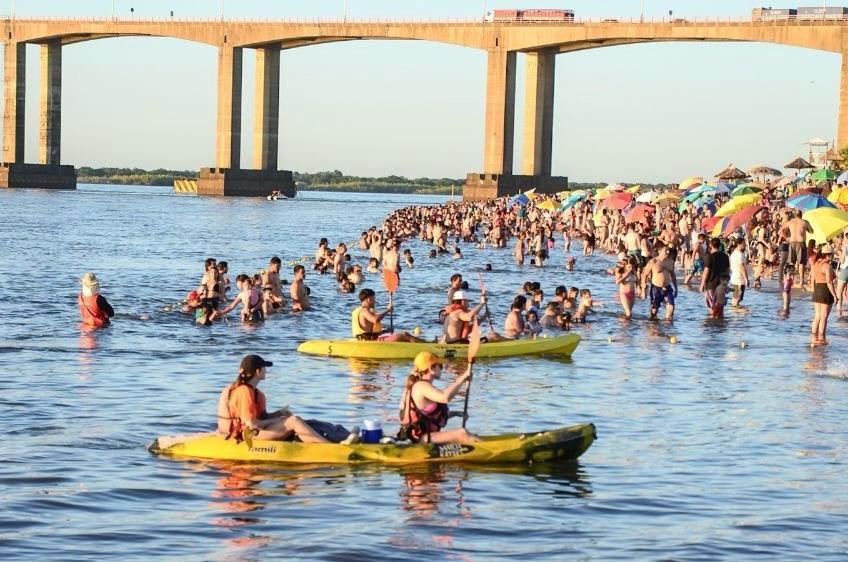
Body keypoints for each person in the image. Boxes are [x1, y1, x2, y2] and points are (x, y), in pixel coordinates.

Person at [217, 354, 331, 443]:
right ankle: (328, 447)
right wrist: (276, 420)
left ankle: (317, 443)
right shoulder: (244, 391)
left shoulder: (257, 393)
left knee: (291, 418)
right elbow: (252, 424)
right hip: (248, 434)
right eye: (264, 368)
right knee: (294, 421)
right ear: (258, 371)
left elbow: (262, 418)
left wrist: (278, 414)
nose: (266, 370)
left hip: (255, 431)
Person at [397, 352, 479, 444]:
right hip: (418, 438)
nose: (441, 369)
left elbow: (428, 417)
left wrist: (456, 413)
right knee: (462, 433)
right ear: (431, 369)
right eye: (440, 366)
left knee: (468, 434)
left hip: (423, 435)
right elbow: (445, 397)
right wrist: (462, 378)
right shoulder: (420, 386)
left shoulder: (419, 385)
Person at [351, 288, 423, 342]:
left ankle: (422, 344)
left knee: (403, 334)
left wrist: (386, 331)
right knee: (404, 335)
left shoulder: (358, 310)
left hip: (368, 339)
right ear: (368, 299)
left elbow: (370, 333)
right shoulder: (364, 310)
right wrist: (388, 310)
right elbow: (375, 320)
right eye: (373, 299)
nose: (375, 301)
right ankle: (425, 345)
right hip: (370, 341)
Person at [810, 244, 838, 345]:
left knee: (817, 316)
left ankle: (813, 337)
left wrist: (814, 290)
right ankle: (822, 337)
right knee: (824, 316)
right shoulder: (827, 266)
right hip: (825, 290)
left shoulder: (816, 264)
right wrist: (835, 295)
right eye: (832, 255)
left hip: (817, 289)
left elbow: (812, 279)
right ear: (828, 255)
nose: (833, 257)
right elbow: (829, 282)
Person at [642, 245, 678, 320]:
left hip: (667, 287)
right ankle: (653, 322)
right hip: (656, 288)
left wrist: (676, 289)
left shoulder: (671, 262)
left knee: (671, 307)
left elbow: (673, 275)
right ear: (659, 251)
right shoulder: (653, 261)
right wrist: (643, 289)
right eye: (665, 250)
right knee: (654, 311)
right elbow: (645, 274)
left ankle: (667, 324)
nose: (667, 252)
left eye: (668, 250)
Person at [701, 238, 730, 317]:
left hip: (711, 284)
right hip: (721, 285)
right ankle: (720, 322)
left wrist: (702, 284)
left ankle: (713, 322)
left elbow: (706, 271)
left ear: (711, 245)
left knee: (712, 307)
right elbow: (728, 271)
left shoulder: (709, 256)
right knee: (720, 307)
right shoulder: (725, 256)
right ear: (719, 245)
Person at [729, 238, 749, 308]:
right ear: (739, 244)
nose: (745, 246)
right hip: (739, 279)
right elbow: (741, 267)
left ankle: (735, 311)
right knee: (737, 298)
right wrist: (746, 279)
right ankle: (735, 312)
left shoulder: (734, 253)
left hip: (736, 277)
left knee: (736, 298)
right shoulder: (739, 254)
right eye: (744, 244)